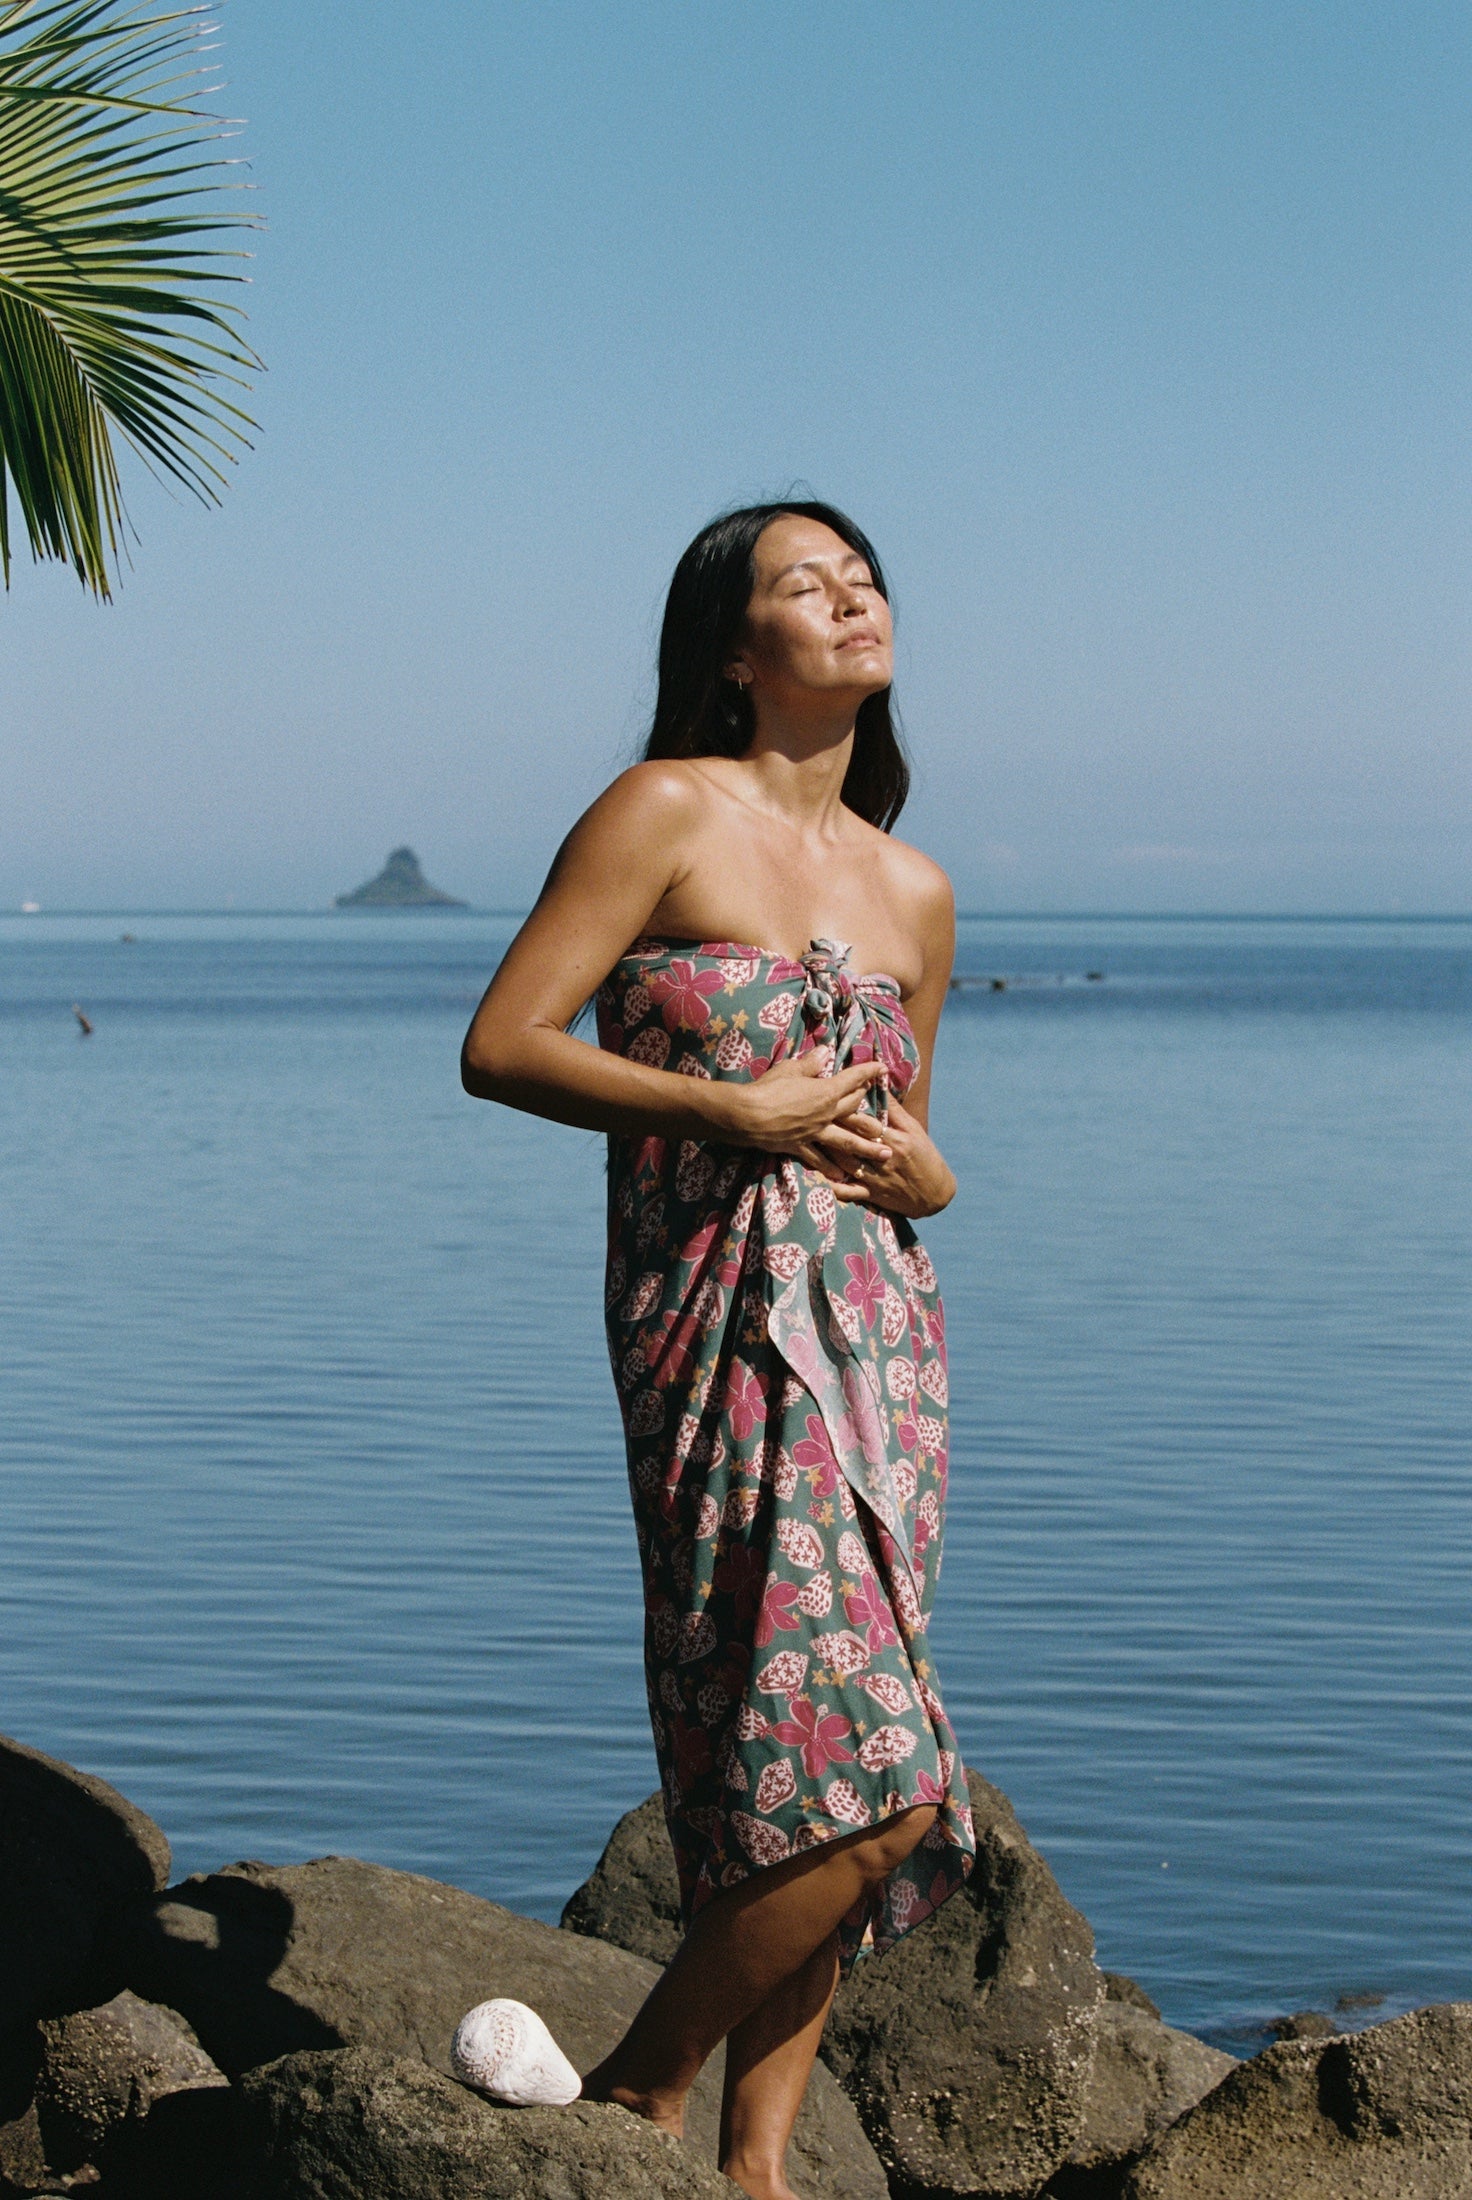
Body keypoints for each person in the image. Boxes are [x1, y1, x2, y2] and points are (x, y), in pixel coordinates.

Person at [462, 500, 975, 2200]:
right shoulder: (663, 810)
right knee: (867, 1780)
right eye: (803, 588)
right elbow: (502, 1043)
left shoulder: (917, 889)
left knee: (807, 1760)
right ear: (733, 654)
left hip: (879, 1343)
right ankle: (639, 2089)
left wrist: (929, 1172)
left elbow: (926, 1150)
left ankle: (754, 2171)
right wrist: (719, 1103)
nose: (851, 601)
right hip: (713, 1320)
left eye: (865, 579)